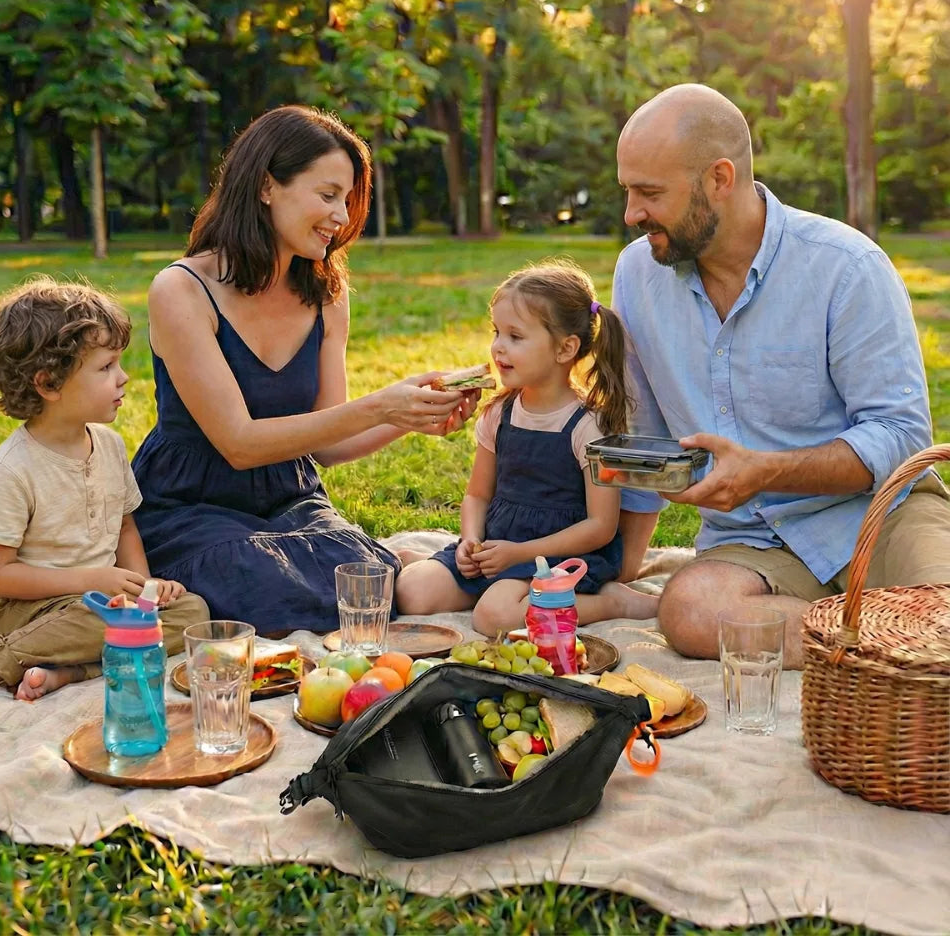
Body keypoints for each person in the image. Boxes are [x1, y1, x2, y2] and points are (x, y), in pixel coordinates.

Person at [612, 83, 950, 668]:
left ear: (720, 179)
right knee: (688, 610)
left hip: (878, 515)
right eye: (628, 191)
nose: (631, 214)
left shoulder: (847, 266)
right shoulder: (636, 274)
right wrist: (618, 576)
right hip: (753, 543)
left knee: (945, 612)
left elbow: (900, 437)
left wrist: (766, 471)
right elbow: (644, 440)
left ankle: (905, 633)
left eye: (649, 193)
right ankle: (898, 640)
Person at [130, 105, 476, 635]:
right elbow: (238, 443)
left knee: (370, 583)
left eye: (349, 200)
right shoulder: (181, 291)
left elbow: (325, 443)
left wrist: (413, 416)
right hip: (191, 502)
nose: (341, 216)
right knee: (263, 590)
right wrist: (380, 403)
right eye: (328, 195)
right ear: (268, 186)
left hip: (288, 497)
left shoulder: (326, 295)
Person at [0, 280, 209, 708]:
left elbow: (125, 526)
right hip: (22, 608)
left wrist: (146, 586)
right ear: (49, 384)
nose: (124, 377)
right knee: (99, 617)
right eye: (106, 367)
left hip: (95, 598)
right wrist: (91, 581)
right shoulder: (12, 470)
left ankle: (72, 670)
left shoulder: (109, 446)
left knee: (194, 613)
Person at [396, 260, 652, 636]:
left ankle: (611, 602)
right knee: (412, 591)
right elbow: (477, 495)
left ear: (565, 349)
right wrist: (471, 540)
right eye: (497, 332)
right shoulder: (499, 413)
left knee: (493, 619)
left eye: (515, 337)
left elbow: (601, 527)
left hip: (557, 556)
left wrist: (519, 555)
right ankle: (493, 588)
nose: (498, 347)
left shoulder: (590, 428)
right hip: (499, 548)